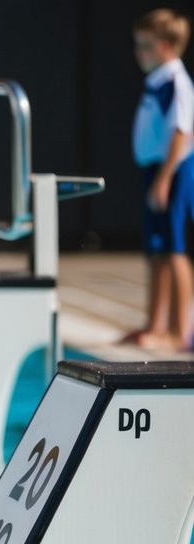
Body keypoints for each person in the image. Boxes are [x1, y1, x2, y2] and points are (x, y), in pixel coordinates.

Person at [122, 8, 194, 352]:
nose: (138, 53)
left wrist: (164, 179)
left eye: (145, 46)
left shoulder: (176, 84)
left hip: (175, 172)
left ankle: (180, 332)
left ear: (166, 47)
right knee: (156, 251)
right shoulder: (157, 82)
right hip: (157, 171)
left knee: (175, 250)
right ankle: (154, 325)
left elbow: (182, 133)